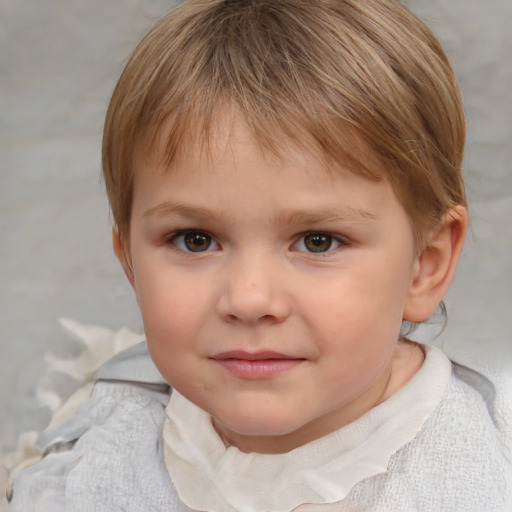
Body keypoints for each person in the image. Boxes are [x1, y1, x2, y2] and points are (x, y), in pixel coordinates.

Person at [7, 0, 511, 510]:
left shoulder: (483, 473)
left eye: (318, 241)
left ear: (425, 264)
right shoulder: (92, 461)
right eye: (195, 239)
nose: (249, 299)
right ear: (130, 262)